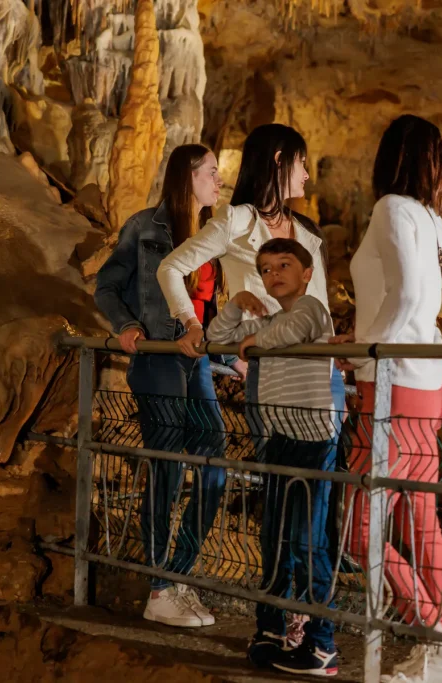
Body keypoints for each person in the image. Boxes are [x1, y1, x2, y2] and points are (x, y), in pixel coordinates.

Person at [155, 124, 346, 650]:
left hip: (319, 385)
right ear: (280, 159)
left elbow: (321, 312)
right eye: (302, 162)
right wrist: (191, 324)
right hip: (272, 385)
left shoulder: (307, 234)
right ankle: (278, 622)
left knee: (317, 517)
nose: (308, 174)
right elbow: (174, 269)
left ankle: (306, 624)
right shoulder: (238, 220)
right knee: (283, 515)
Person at [332, 115, 442, 683]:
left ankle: (434, 639)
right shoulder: (434, 221)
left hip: (392, 389)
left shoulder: (391, 208)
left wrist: (368, 353)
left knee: (360, 530)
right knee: (421, 524)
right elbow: (418, 301)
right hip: (428, 388)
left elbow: (409, 295)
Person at [93, 143, 230, 628]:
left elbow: (214, 310)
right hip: (158, 356)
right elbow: (106, 286)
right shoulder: (144, 228)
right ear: (186, 176)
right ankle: (158, 586)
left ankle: (179, 573)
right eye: (212, 172)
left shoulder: (217, 236)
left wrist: (233, 355)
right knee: (167, 466)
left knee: (215, 460)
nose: (219, 180)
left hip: (198, 361)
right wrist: (126, 326)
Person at [210, 238, 342, 677]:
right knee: (276, 540)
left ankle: (321, 645)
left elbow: (286, 335)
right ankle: (270, 628)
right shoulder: (275, 316)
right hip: (281, 437)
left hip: (313, 441)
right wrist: (237, 306)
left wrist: (251, 342)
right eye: (265, 269)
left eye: (284, 265)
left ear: (307, 273)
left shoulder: (311, 308)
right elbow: (216, 340)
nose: (273, 275)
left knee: (307, 540)